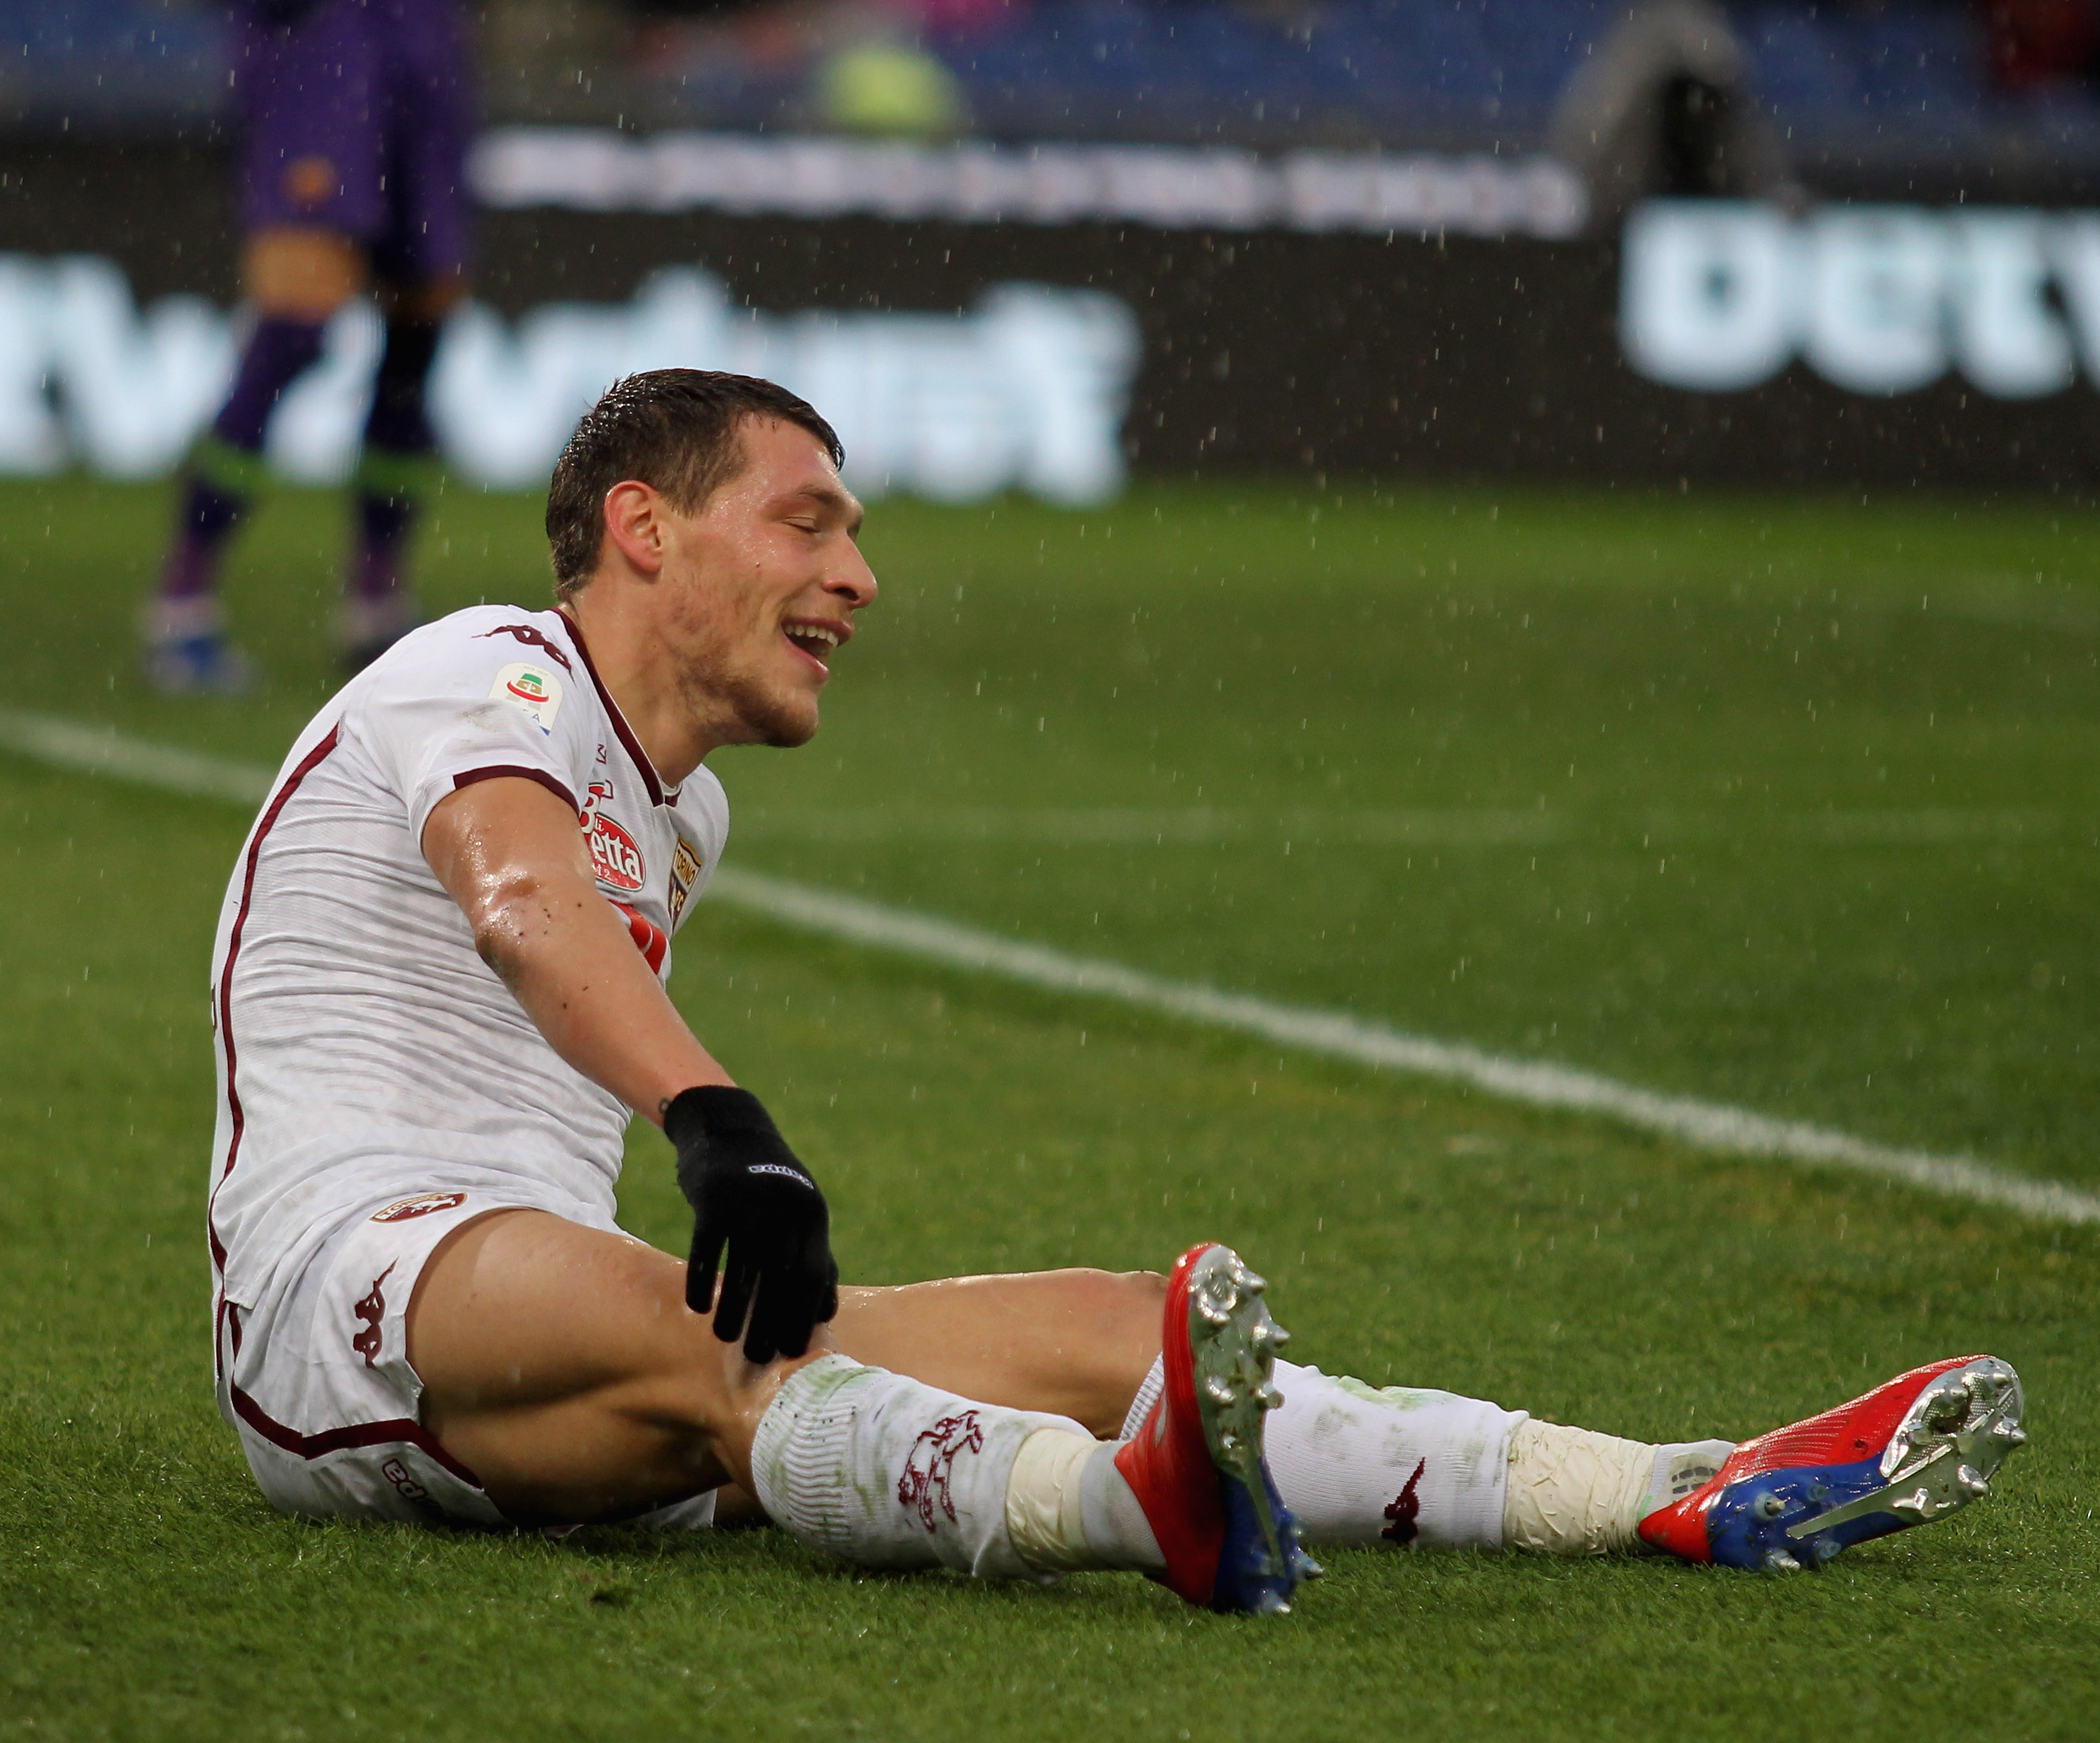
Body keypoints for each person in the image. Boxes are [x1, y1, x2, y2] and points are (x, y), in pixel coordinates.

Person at [203, 368, 2026, 1608]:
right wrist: (714, 1120)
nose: (858, 575)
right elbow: (521, 899)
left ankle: (1658, 1483)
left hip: (537, 1346)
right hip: (344, 1291)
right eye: (807, 522)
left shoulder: (688, 814)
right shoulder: (487, 667)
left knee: (1109, 1331)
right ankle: (1126, 1509)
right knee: (729, 1344)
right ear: (644, 526)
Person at [146, 0, 479, 692]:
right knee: (291, 334)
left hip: (424, 56)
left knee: (418, 343)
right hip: (322, 57)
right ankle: (183, 600)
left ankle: (377, 604)